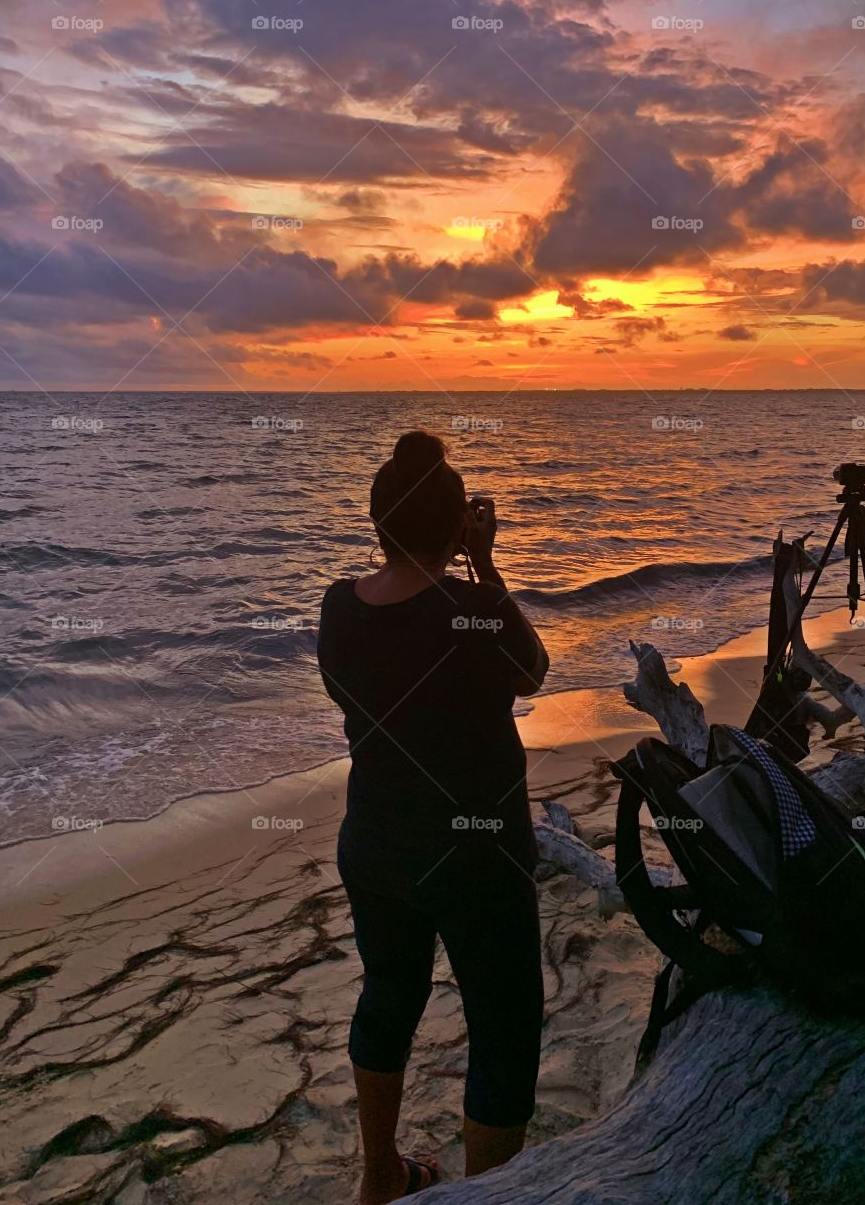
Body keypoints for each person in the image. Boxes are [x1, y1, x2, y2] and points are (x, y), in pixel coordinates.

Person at [317, 429, 550, 1204]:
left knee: (389, 992)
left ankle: (378, 1177)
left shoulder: (338, 609)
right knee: (505, 1023)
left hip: (376, 840)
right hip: (477, 855)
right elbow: (532, 673)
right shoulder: (472, 608)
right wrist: (484, 563)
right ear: (457, 527)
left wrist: (458, 557)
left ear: (376, 524)